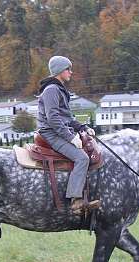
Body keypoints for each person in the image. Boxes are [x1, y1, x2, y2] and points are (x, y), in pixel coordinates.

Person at [37, 56, 99, 215]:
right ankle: (75, 200)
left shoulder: (58, 89)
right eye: (68, 69)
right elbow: (53, 118)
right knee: (82, 158)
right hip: (51, 133)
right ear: (59, 71)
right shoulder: (51, 90)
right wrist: (71, 137)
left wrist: (83, 128)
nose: (71, 72)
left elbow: (67, 117)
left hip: (58, 130)